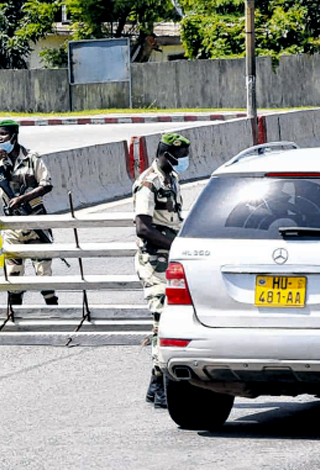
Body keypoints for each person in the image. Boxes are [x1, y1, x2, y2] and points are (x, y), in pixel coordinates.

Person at [133, 132, 190, 409]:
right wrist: (174, 244)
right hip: (153, 261)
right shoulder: (148, 183)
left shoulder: (173, 180)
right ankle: (162, 384)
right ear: (166, 155)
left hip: (170, 261)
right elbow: (143, 227)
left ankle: (156, 386)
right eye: (179, 156)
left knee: (165, 320)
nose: (183, 161)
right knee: (161, 319)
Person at [0, 119, 58, 306]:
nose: (0, 138)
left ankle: (55, 314)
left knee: (43, 273)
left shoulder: (31, 157)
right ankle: (15, 318)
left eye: (3, 134)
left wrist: (22, 199)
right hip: (13, 227)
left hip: (35, 220)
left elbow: (47, 184)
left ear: (14, 135)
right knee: (13, 276)